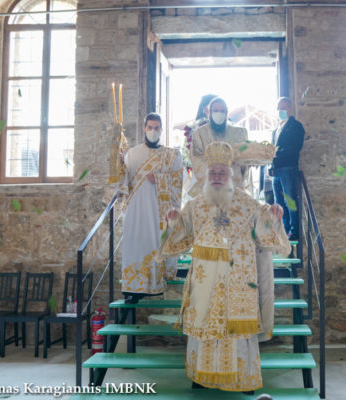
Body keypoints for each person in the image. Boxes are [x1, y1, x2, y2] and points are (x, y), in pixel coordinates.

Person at [159, 142, 290, 393]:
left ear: (231, 175)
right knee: (204, 326)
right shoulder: (195, 205)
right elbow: (182, 237)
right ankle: (202, 377)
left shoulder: (248, 204)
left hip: (238, 279)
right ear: (207, 175)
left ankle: (242, 380)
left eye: (222, 172)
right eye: (213, 173)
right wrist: (174, 222)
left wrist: (274, 216)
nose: (217, 176)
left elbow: (265, 235)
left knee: (237, 330)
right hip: (205, 280)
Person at [117, 112, 183, 303]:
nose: (153, 131)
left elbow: (179, 182)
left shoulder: (172, 155)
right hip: (136, 210)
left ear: (161, 130)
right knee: (135, 245)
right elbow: (123, 183)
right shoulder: (132, 154)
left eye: (156, 128)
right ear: (144, 128)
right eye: (150, 127)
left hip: (158, 211)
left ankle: (154, 285)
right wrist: (119, 166)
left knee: (155, 245)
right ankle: (133, 289)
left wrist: (160, 179)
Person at [190, 97, 249, 194]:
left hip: (233, 185)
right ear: (209, 113)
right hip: (210, 185)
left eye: (222, 111)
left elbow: (245, 154)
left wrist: (246, 161)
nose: (219, 113)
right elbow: (196, 159)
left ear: (226, 113)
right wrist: (216, 169)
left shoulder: (239, 133)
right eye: (216, 111)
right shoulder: (200, 133)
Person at [269, 97, 305, 240]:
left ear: (290, 109)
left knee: (290, 200)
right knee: (279, 202)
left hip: (288, 168)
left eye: (283, 107)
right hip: (276, 170)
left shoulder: (296, 126)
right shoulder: (275, 130)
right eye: (278, 108)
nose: (280, 111)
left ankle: (294, 231)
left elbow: (295, 148)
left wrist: (276, 153)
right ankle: (283, 230)